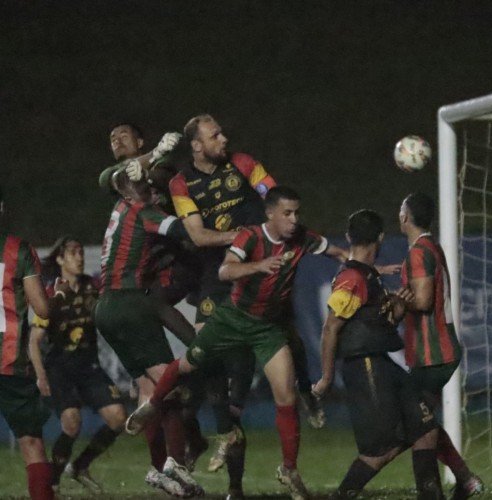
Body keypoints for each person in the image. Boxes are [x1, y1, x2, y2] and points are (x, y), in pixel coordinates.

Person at [127, 186, 349, 500]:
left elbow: (337, 252)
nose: (294, 219)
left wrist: (358, 263)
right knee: (189, 362)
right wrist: (257, 267)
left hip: (266, 329)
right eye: (287, 213)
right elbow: (225, 269)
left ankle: (288, 469)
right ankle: (153, 405)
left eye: (297, 212)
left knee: (285, 394)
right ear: (270, 213)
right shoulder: (251, 236)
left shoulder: (302, 238)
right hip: (232, 319)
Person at [168, 114, 323, 495]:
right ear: (197, 145)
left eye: (222, 131)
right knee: (210, 361)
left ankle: (307, 393)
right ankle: (226, 437)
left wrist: (281, 224)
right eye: (214, 134)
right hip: (219, 275)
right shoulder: (181, 183)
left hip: (264, 271)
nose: (224, 137)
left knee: (285, 335)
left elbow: (273, 196)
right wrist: (243, 237)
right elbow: (199, 236)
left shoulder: (244, 163)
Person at [312, 209, 444, 499]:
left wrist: (397, 308)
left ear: (349, 237)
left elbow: (370, 323)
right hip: (366, 366)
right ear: (381, 238)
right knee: (380, 450)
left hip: (382, 362)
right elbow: (331, 328)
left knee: (426, 429)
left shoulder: (368, 276)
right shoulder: (351, 278)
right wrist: (326, 377)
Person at [94, 172, 202, 497]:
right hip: (133, 303)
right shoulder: (146, 213)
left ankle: (159, 470)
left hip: (110, 306)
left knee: (149, 390)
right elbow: (189, 231)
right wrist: (220, 231)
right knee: (169, 393)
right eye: (150, 191)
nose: (155, 197)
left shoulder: (121, 209)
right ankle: (174, 464)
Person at [399, 193, 484, 499]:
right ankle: (463, 481)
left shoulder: (419, 252)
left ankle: (442, 486)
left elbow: (421, 300)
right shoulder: (429, 247)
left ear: (405, 217)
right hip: (438, 351)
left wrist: (398, 301)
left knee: (415, 420)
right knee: (422, 420)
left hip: (433, 353)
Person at [28, 237, 126, 493]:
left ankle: (80, 466)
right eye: (72, 253)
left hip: (88, 365)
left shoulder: (93, 289)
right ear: (60, 259)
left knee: (118, 419)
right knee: (71, 422)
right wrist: (41, 376)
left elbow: (112, 324)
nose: (79, 257)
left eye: (81, 252)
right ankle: (54, 480)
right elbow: (34, 341)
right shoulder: (50, 294)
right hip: (59, 366)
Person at [0, 186, 54, 500]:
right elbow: (43, 309)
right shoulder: (17, 249)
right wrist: (56, 297)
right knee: (31, 442)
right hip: (10, 361)